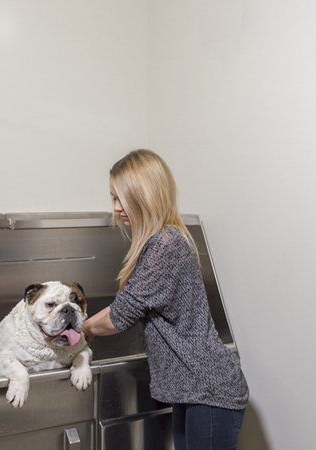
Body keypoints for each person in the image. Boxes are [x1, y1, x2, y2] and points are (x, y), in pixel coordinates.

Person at [83, 149, 249, 450]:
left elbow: (119, 315)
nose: (116, 208)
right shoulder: (163, 240)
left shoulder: (165, 244)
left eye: (123, 198)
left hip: (207, 389)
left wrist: (78, 331)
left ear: (145, 195)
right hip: (193, 389)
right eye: (113, 198)